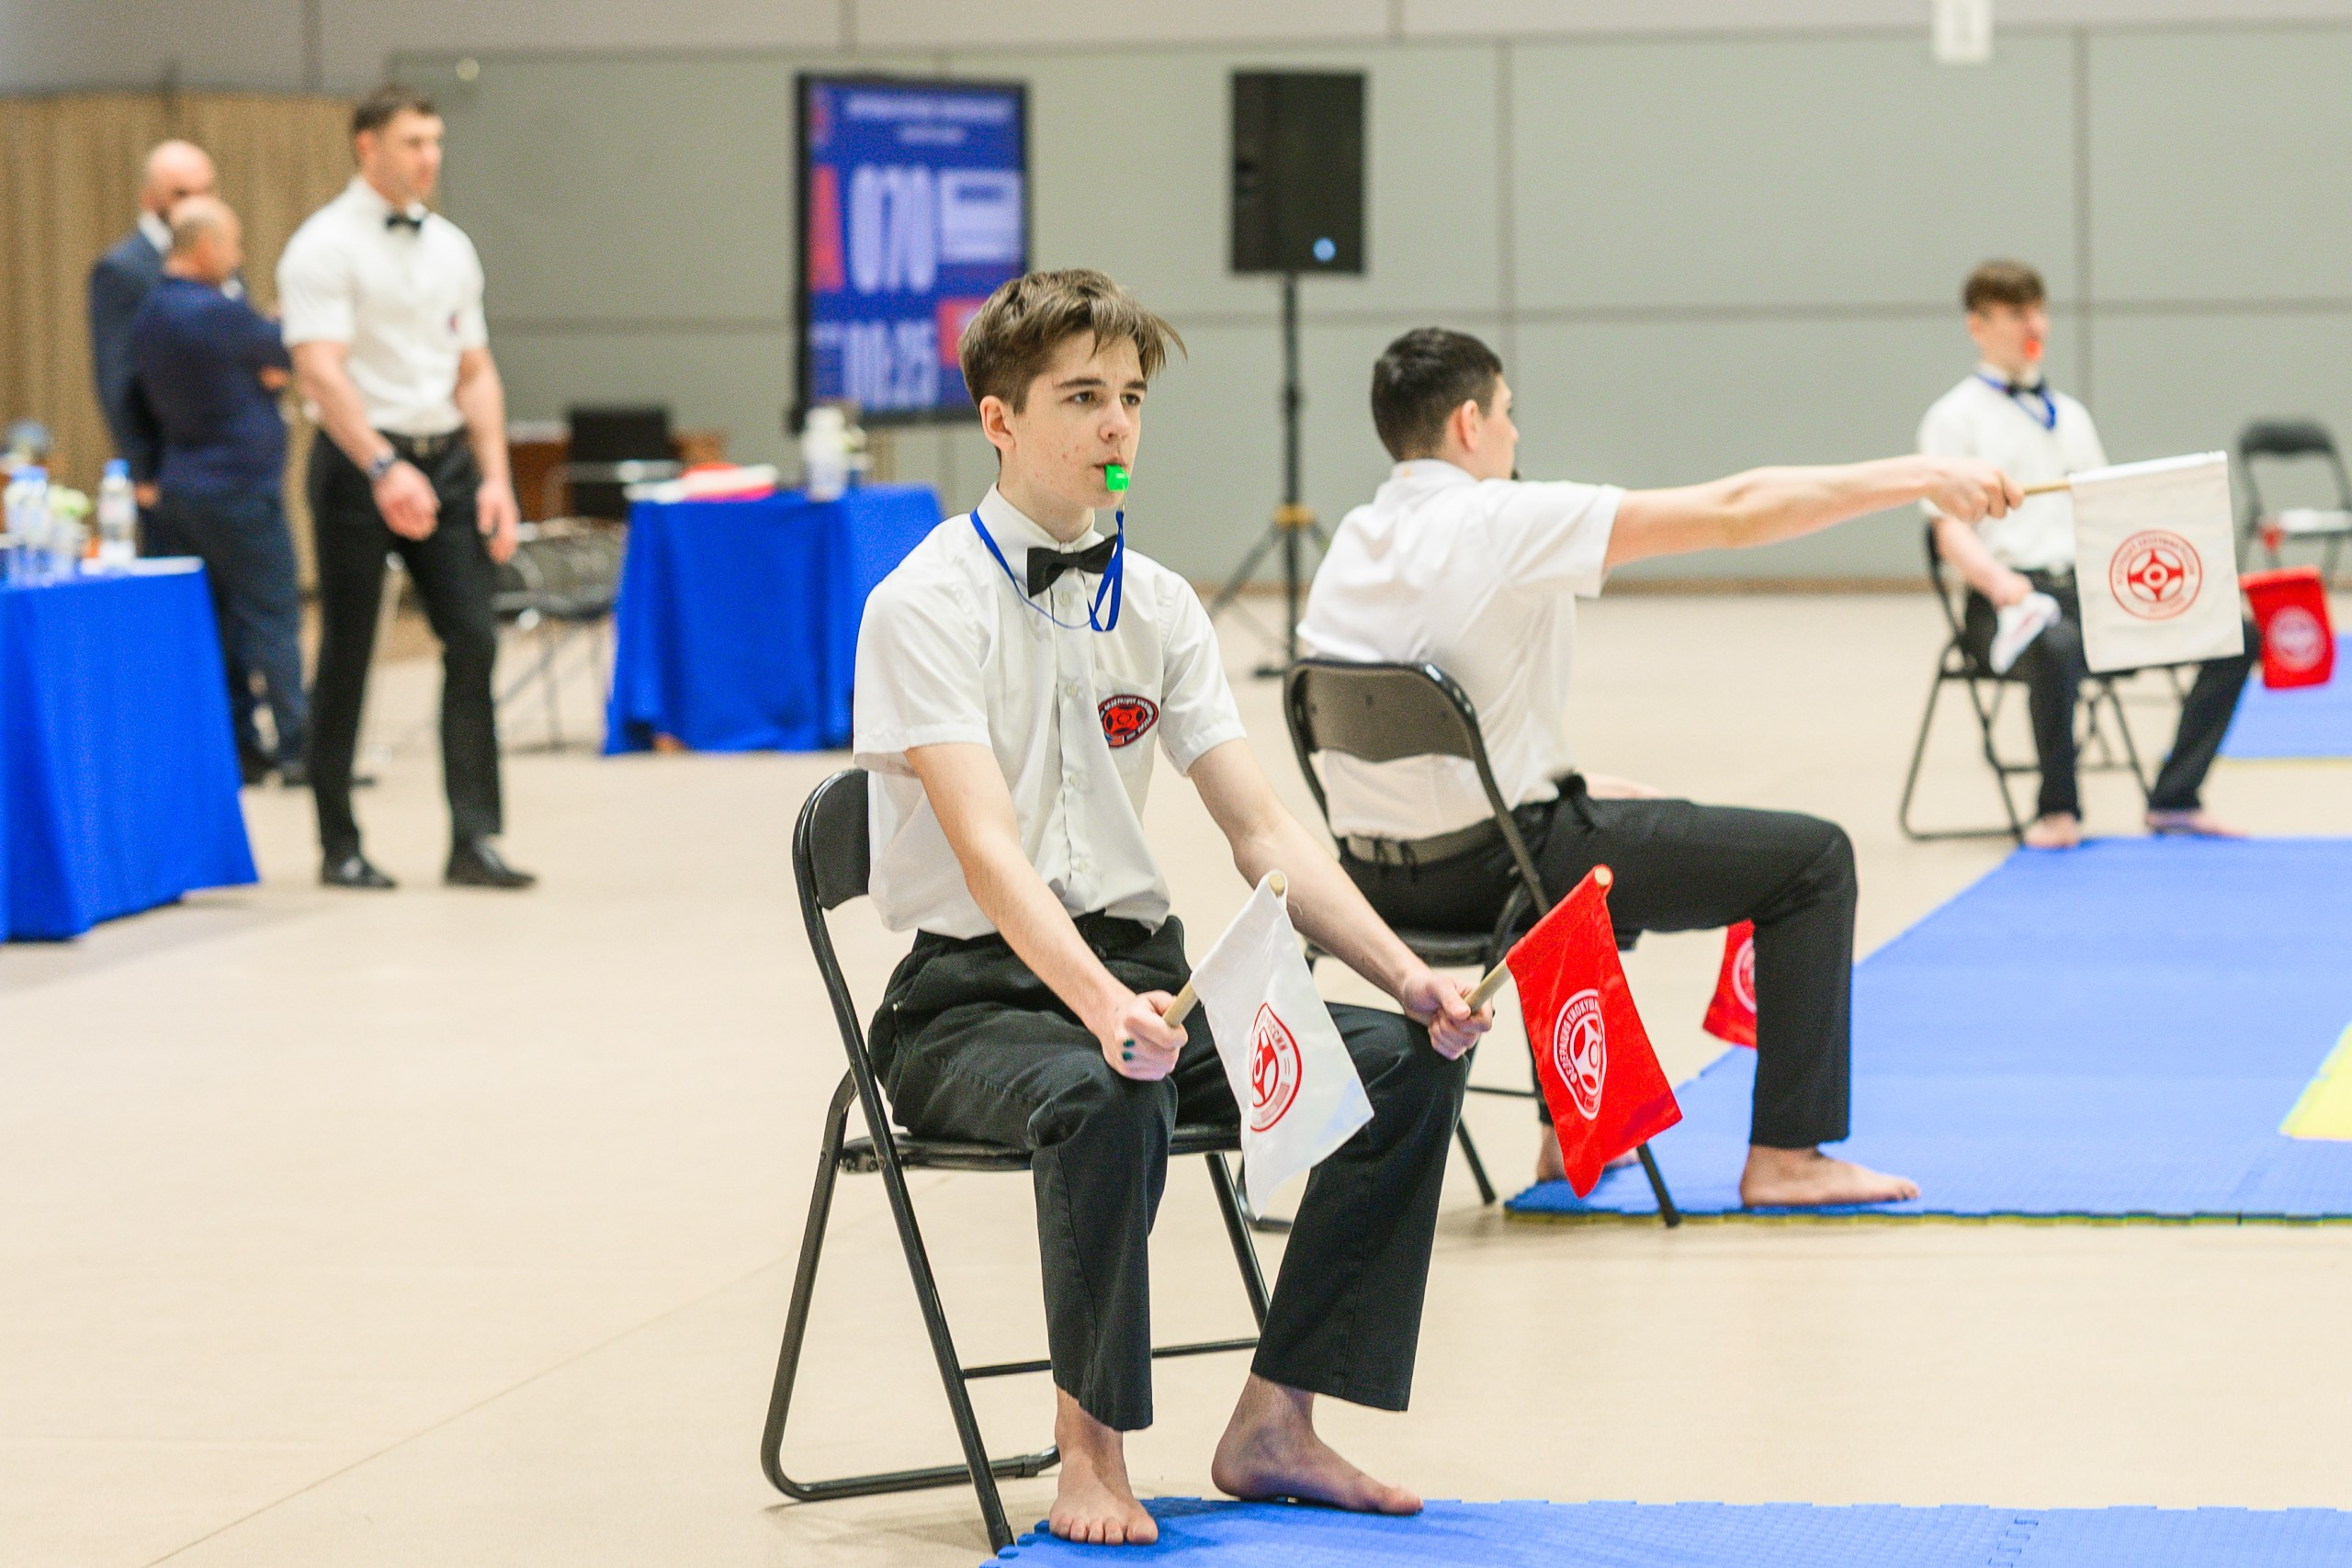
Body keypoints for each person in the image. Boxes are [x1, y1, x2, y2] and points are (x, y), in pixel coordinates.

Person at [855, 271, 1488, 1546]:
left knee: (1404, 1061)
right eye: (1081, 397)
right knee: (1112, 1088)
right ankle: (1088, 1450)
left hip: (1142, 979)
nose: (1116, 425)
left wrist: (1406, 971)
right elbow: (987, 853)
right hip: (969, 1006)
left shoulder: (1157, 602)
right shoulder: (920, 603)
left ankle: (1276, 1421)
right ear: (998, 419)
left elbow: (1263, 830)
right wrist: (1101, 1008)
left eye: (1132, 398)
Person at [1298, 327, 2023, 1208]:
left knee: (1606, 815)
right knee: (1816, 860)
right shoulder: (1502, 518)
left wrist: (1563, 784)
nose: (1516, 434)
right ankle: (1788, 1156)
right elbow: (1737, 509)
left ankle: (1568, 1135)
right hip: (1507, 877)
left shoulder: (1351, 544)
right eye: (1509, 414)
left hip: (1377, 888)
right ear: (1468, 424)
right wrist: (1921, 476)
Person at [278, 85, 532, 891]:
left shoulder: (451, 246)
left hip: (448, 458)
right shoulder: (322, 245)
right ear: (368, 146)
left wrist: (496, 478)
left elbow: (475, 370)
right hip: (360, 463)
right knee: (350, 650)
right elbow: (319, 371)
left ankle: (474, 839)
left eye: (436, 142)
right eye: (413, 142)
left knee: (474, 638)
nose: (430, 157)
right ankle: (338, 842)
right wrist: (383, 465)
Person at [1918, 260, 2257, 850]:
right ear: (1978, 325)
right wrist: (1998, 583)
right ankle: (2058, 809)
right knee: (2056, 646)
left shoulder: (2069, 415)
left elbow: (2112, 517)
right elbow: (1949, 531)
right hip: (2005, 601)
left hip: (2085, 592)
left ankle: (2175, 796)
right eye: (2016, 313)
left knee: (2236, 633)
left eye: (2038, 310)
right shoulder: (1952, 419)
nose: (2034, 325)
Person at [89, 140, 273, 782]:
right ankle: (197, 744)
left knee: (242, 612)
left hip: (236, 467)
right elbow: (117, 379)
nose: (196, 201)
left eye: (205, 188)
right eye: (181, 193)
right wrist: (141, 470)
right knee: (188, 614)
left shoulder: (219, 251)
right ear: (151, 198)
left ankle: (245, 738)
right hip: (174, 471)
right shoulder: (124, 269)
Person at [122, 197, 307, 784]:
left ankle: (241, 746)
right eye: (233, 244)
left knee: (221, 622)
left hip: (183, 484)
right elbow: (283, 350)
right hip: (238, 488)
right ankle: (300, 746)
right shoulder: (215, 312)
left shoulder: (150, 313)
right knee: (274, 615)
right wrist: (277, 325)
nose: (239, 256)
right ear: (205, 248)